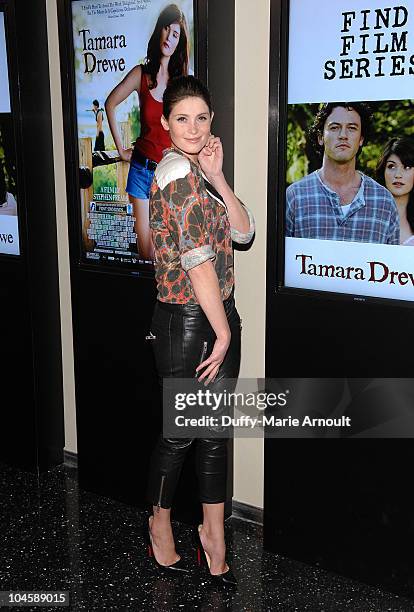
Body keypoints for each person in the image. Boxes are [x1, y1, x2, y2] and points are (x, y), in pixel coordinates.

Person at [146, 76, 255, 585]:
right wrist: (224, 332)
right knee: (182, 434)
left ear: (212, 122)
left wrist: (220, 177)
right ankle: (160, 523)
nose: (193, 127)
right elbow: (197, 262)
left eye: (202, 117)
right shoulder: (173, 173)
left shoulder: (200, 171)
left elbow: (244, 231)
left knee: (215, 433)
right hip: (187, 322)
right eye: (182, 118)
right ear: (166, 124)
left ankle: (213, 534)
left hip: (216, 313)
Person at [105, 4, 189, 260]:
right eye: (166, 29)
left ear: (178, 43)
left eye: (175, 34)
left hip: (170, 175)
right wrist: (121, 151)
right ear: (159, 31)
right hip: (141, 171)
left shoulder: (181, 83)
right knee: (146, 252)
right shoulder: (141, 74)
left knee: (172, 249)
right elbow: (110, 104)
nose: (169, 37)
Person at [286, 102, 399, 244]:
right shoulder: (295, 196)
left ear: (361, 139)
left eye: (352, 128)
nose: (343, 135)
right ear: (320, 137)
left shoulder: (384, 201)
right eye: (334, 127)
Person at [376, 137, 414, 246]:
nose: (398, 175)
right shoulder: (368, 217)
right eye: (391, 166)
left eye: (406, 167)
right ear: (383, 171)